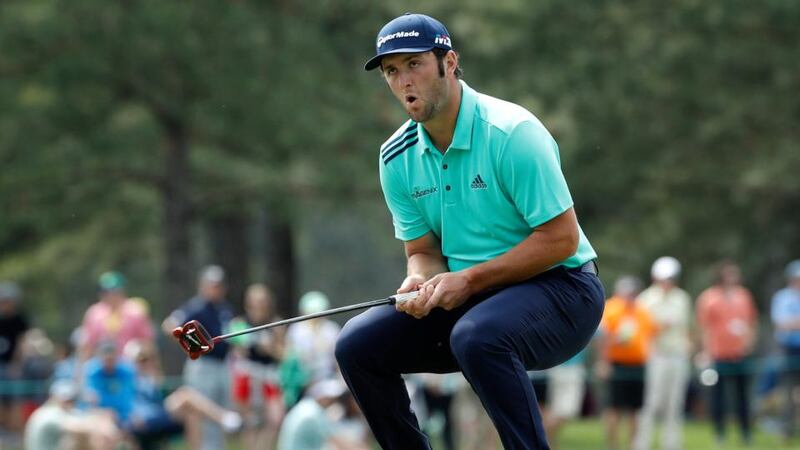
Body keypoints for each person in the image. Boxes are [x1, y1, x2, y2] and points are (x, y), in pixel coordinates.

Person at [334, 13, 604, 450]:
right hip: (474, 300)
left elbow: (561, 240)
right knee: (356, 345)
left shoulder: (512, 132)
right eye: (391, 71)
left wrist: (469, 279)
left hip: (564, 290)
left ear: (450, 62)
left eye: (414, 64)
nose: (404, 81)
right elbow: (422, 250)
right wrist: (419, 279)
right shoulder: (395, 156)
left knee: (477, 335)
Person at [162, 264, 234, 450]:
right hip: (203, 366)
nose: (216, 289)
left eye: (219, 285)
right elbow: (170, 325)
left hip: (222, 365)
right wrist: (191, 342)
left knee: (219, 412)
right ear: (203, 286)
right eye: (212, 285)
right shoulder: (196, 307)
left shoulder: (225, 309)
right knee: (202, 414)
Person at [123, 340, 242, 450]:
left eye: (148, 359)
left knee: (191, 412)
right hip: (141, 419)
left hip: (157, 414)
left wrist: (152, 373)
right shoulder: (127, 377)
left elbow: (157, 398)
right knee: (186, 396)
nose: (146, 362)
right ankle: (224, 418)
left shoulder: (150, 377)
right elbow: (129, 403)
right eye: (141, 360)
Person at [633, 257, 692, 450]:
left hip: (677, 355)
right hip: (656, 355)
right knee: (652, 402)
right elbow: (641, 331)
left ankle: (672, 444)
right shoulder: (645, 300)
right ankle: (642, 444)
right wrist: (658, 328)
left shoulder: (682, 298)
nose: (668, 282)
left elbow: (686, 328)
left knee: (675, 403)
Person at [696, 261, 758, 446]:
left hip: (740, 355)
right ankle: (719, 433)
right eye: (729, 275)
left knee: (743, 396)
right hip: (717, 355)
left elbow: (752, 322)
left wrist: (749, 342)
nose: (733, 278)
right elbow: (703, 327)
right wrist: (705, 351)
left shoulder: (744, 296)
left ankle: (746, 433)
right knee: (718, 397)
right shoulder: (709, 298)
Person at [595, 276, 654, 450]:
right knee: (613, 408)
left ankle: (632, 445)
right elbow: (601, 338)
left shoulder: (642, 311)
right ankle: (612, 445)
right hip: (616, 363)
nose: (630, 296)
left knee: (635, 409)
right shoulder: (611, 309)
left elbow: (648, 335)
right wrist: (603, 362)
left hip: (638, 365)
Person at [229, 283, 286, 450]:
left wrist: (270, 348)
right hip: (247, 375)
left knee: (275, 418)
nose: (259, 306)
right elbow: (235, 352)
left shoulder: (276, 324)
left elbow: (283, 354)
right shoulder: (239, 323)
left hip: (269, 375)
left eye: (262, 301)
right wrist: (242, 348)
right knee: (250, 422)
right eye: (255, 301)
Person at [24, 379, 121, 450]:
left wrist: (103, 417)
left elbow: (85, 417)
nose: (69, 403)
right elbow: (78, 426)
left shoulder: (64, 411)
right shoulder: (46, 413)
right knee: (80, 437)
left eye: (71, 400)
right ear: (53, 397)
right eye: (65, 399)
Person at [80, 271, 154, 360]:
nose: (110, 295)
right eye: (106, 291)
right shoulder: (94, 313)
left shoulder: (135, 311)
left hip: (132, 366)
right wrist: (80, 371)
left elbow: (148, 343)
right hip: (102, 367)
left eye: (115, 291)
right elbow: (87, 346)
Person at [771, 259, 800, 443]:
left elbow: (789, 323)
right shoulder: (782, 297)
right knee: (788, 392)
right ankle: (786, 431)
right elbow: (781, 323)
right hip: (788, 349)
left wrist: (792, 323)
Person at [276, 379, 350, 450]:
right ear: (323, 397)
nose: (334, 402)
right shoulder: (314, 413)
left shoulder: (305, 406)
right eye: (332, 399)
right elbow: (337, 441)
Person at [285, 291, 341, 385]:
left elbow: (337, 360)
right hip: (302, 382)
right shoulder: (296, 330)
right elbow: (289, 358)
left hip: (329, 380)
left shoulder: (332, 329)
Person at [0, 281, 30, 435]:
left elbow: (22, 344)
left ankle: (15, 432)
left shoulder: (19, 320)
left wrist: (17, 364)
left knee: (15, 399)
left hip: (13, 366)